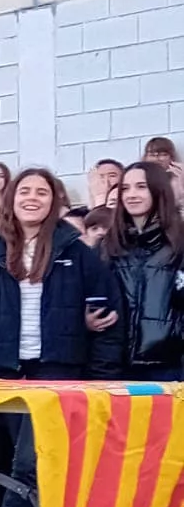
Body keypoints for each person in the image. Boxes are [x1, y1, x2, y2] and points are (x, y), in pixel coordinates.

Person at [0, 167, 121, 507]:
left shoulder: (78, 253)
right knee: (17, 458)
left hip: (58, 371)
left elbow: (106, 316)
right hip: (6, 372)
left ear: (55, 202)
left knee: (35, 458)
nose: (32, 198)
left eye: (42, 193)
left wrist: (99, 378)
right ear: (12, 199)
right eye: (25, 191)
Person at [104, 161, 184, 381]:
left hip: (170, 364)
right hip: (118, 363)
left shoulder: (179, 242)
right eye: (125, 188)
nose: (132, 194)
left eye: (141, 186)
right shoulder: (108, 245)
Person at [142, 135, 184, 210]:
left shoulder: (178, 176)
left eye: (163, 154)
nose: (157, 159)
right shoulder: (138, 176)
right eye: (152, 155)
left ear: (171, 158)